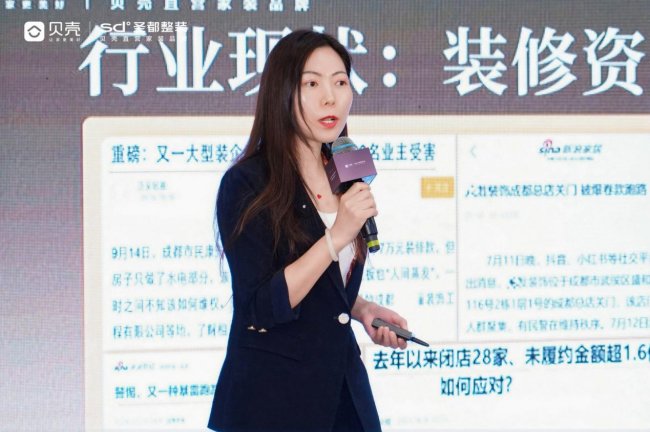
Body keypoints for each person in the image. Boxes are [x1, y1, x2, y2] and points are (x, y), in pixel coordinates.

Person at [208, 29, 409, 432]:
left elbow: (323, 281)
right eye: (312, 84)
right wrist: (336, 236)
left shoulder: (345, 170)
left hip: (343, 393)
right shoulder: (248, 184)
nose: (330, 98)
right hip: (272, 402)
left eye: (340, 82)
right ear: (282, 93)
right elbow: (261, 305)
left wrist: (361, 309)